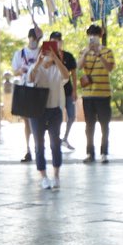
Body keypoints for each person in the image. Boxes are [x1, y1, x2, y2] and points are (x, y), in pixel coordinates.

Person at [27, 37, 70, 189]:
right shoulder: (35, 67)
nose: (48, 55)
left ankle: (56, 175)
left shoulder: (57, 69)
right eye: (46, 52)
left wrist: (55, 58)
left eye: (51, 52)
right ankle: (43, 176)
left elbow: (66, 76)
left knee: (55, 143)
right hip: (37, 111)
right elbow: (30, 79)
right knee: (39, 144)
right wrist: (38, 62)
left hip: (54, 110)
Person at [78, 23, 116, 163]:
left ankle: (104, 152)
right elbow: (79, 66)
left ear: (100, 36)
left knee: (104, 124)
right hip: (88, 95)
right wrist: (87, 52)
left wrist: (99, 54)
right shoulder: (83, 51)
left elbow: (110, 68)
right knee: (89, 125)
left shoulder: (107, 52)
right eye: (90, 35)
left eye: (95, 35)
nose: (92, 37)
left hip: (103, 94)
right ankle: (89, 153)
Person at [10, 27, 42, 162]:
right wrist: (21, 71)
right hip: (25, 89)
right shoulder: (20, 53)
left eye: (37, 39)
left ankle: (38, 148)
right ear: (29, 38)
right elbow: (14, 71)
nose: (34, 41)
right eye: (33, 38)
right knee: (27, 122)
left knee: (38, 121)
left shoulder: (42, 52)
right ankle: (28, 148)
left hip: (39, 88)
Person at [48, 31, 79, 147]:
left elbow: (74, 74)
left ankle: (65, 138)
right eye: (53, 41)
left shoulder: (68, 56)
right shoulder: (46, 57)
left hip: (67, 90)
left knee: (71, 116)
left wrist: (75, 90)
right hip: (54, 92)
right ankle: (56, 138)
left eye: (58, 41)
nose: (56, 43)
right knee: (57, 116)